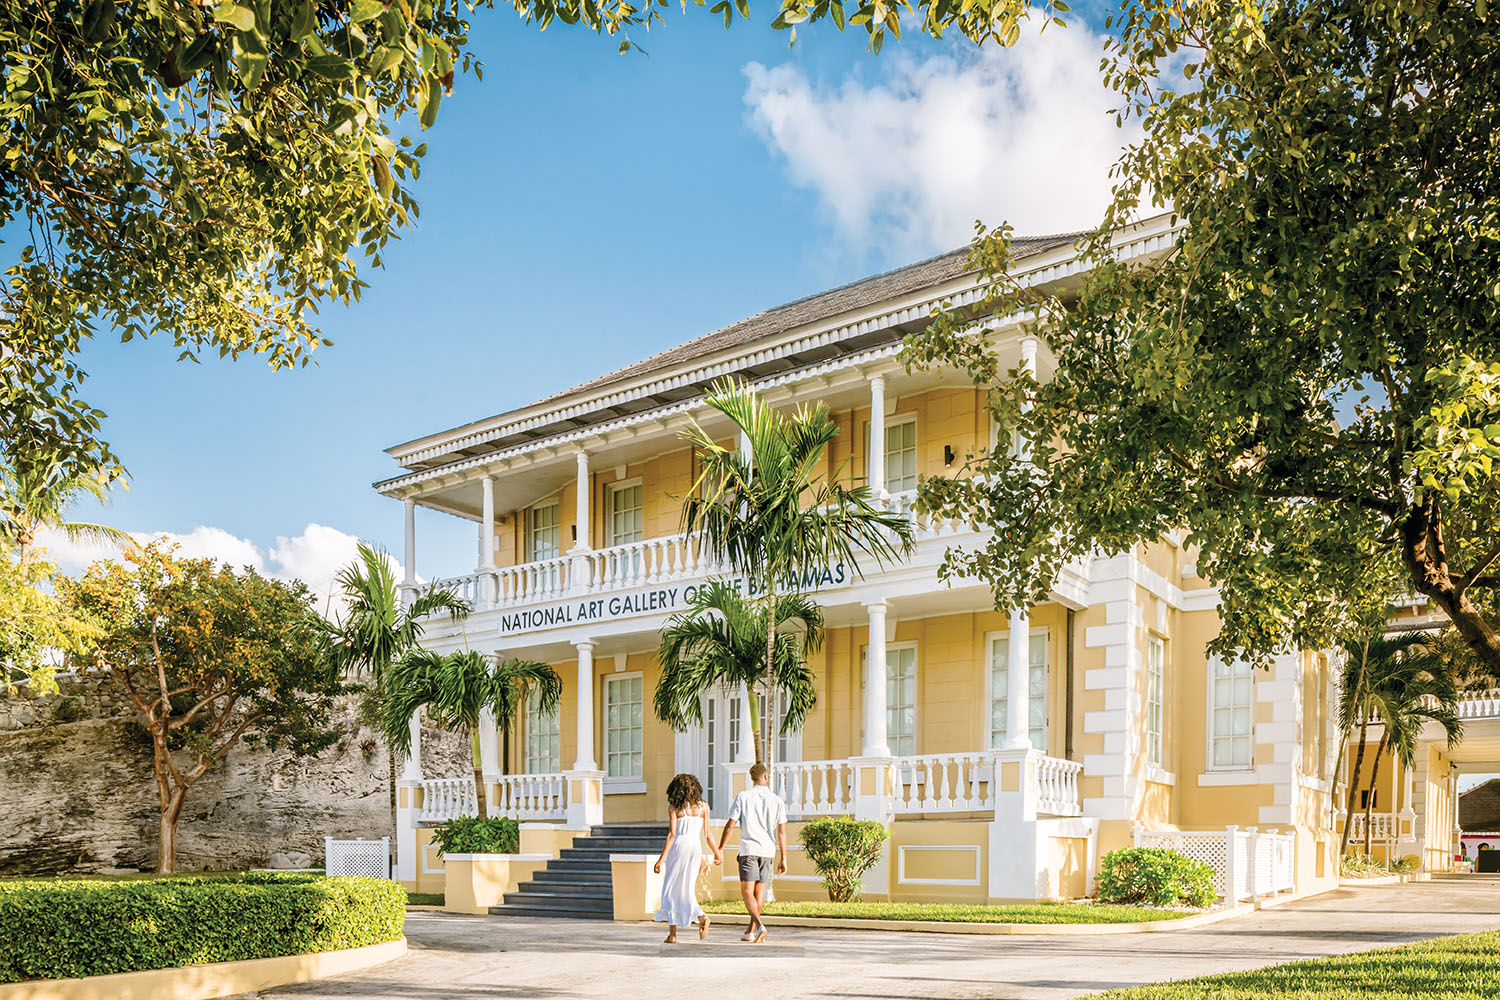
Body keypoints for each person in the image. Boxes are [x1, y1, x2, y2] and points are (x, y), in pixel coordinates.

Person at [717, 762, 787, 944]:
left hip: (749, 850)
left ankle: (760, 925)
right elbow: (781, 832)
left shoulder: (743, 797)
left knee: (747, 891)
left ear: (752, 778)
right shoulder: (777, 801)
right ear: (765, 777)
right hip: (768, 851)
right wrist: (784, 858)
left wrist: (720, 848)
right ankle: (751, 931)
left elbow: (730, 825)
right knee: (759, 892)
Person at [653, 772, 719, 944]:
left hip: (679, 847)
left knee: (670, 889)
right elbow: (708, 835)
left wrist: (661, 859)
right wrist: (718, 853)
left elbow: (672, 834)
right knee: (687, 889)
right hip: (694, 848)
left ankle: (674, 934)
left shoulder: (674, 807)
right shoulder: (704, 807)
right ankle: (699, 919)